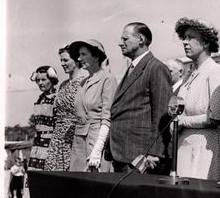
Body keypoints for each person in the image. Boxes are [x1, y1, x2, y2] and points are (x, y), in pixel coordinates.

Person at [108, 22, 173, 174]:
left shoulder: (155, 67)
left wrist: (155, 152)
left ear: (141, 40)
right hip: (122, 153)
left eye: (125, 39)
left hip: (140, 157)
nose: (120, 43)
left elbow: (162, 114)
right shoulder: (133, 68)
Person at [174, 17, 220, 180]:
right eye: (184, 38)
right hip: (184, 147)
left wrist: (182, 122)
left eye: (190, 37)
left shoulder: (216, 71)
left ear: (205, 42)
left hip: (204, 148)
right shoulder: (189, 76)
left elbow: (216, 116)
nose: (185, 42)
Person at [68, 40, 117, 172]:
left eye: (83, 54)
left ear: (96, 57)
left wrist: (97, 149)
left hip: (96, 140)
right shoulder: (82, 82)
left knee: (95, 185)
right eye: (79, 55)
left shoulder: (108, 79)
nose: (79, 58)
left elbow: (107, 117)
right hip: (79, 141)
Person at [44, 45, 87, 171]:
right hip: (58, 138)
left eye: (66, 60)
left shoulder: (85, 82)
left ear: (77, 59)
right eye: (61, 61)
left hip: (75, 137)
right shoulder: (63, 85)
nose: (62, 64)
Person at [28, 65, 58, 171]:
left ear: (52, 80)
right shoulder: (40, 99)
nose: (40, 83)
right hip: (37, 143)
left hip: (51, 144)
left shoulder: (57, 99)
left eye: (44, 80)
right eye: (38, 80)